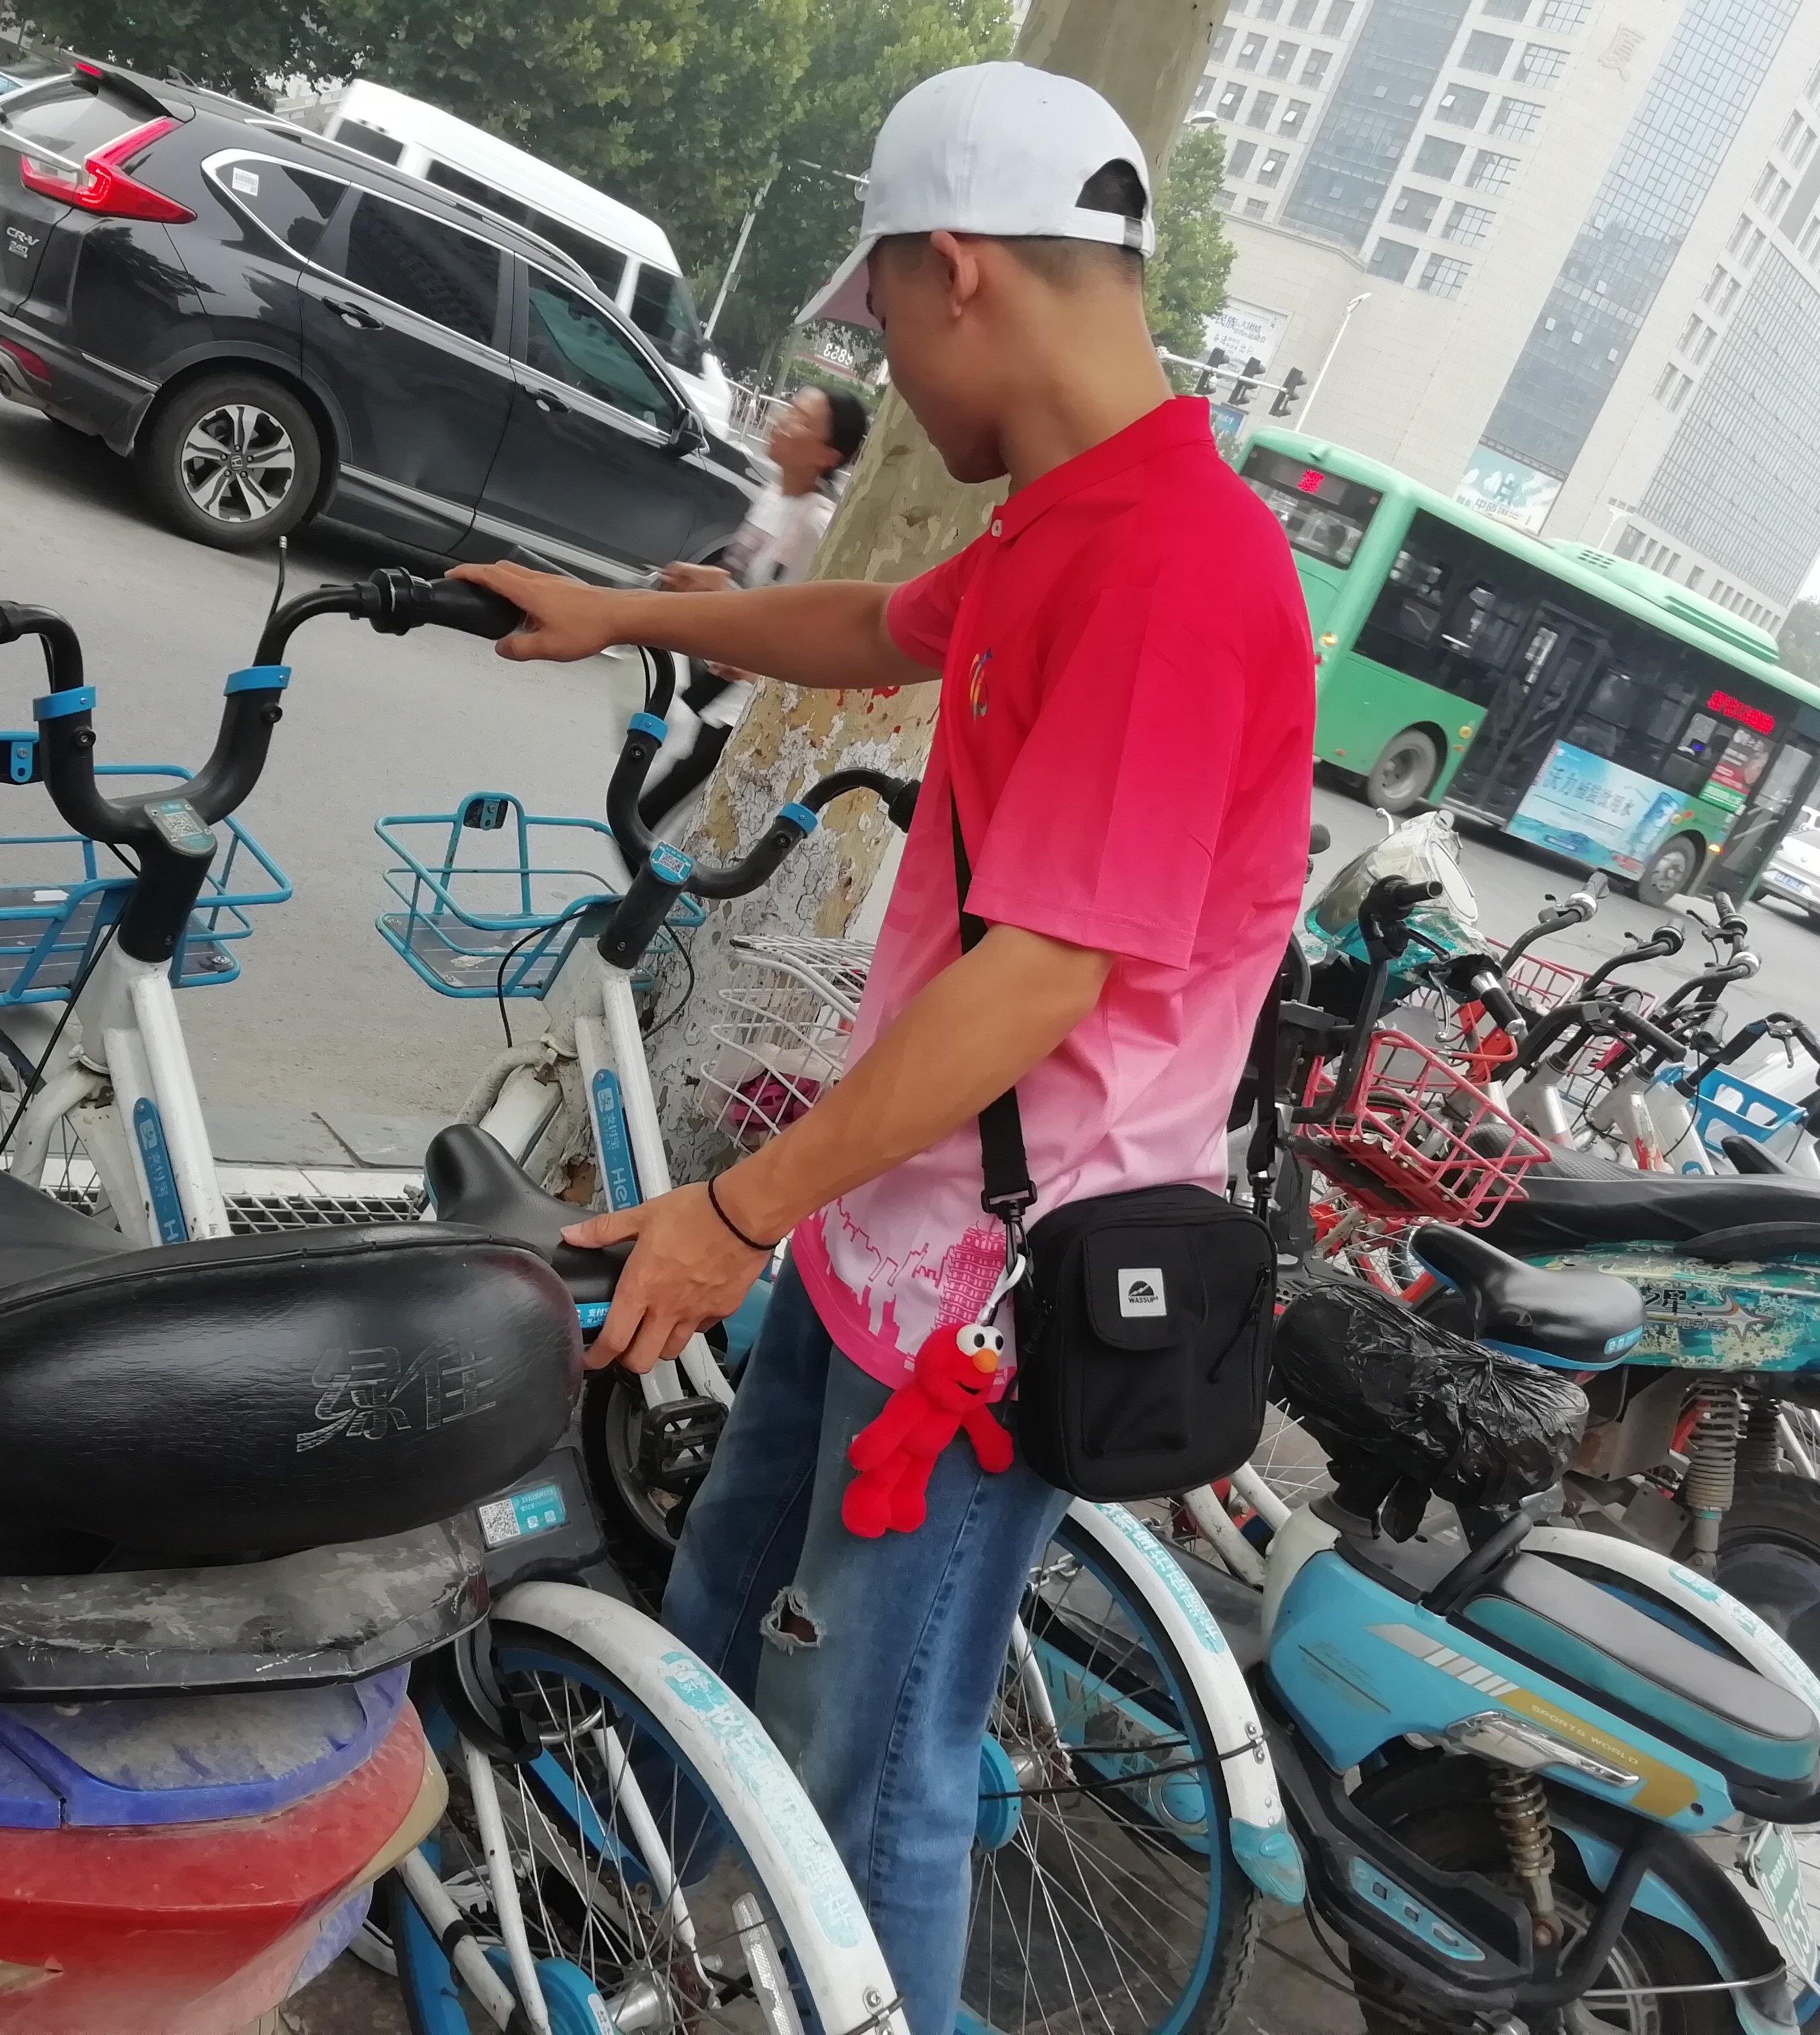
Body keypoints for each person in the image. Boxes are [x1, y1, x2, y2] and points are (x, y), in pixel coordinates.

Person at [453, 60, 1315, 2035]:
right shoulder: (1063, 523)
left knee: (879, 1759)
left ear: (959, 274)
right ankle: (651, 1938)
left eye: (888, 318)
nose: (889, 370)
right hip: (887, 1229)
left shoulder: (1177, 570)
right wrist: (616, 612)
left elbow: (1040, 981)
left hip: (997, 1303)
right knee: (717, 1593)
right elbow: (871, 630)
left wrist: (730, 1210)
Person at [638, 384, 872, 830]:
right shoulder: (774, 496)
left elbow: (815, 621)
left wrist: (759, 663)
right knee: (652, 815)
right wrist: (706, 580)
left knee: (649, 818)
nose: (781, 421)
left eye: (801, 420)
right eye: (790, 409)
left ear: (827, 455)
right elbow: (754, 588)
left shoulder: (815, 524)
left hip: (747, 702)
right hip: (719, 678)